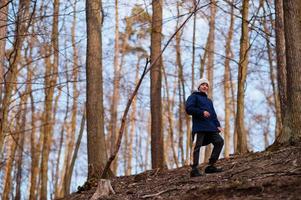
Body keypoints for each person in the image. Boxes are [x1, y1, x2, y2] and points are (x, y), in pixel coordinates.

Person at [185, 78, 224, 177]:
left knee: (219, 141)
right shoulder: (194, 97)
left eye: (207, 85)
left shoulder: (209, 101)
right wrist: (201, 112)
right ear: (199, 86)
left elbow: (213, 115)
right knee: (196, 147)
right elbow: (189, 109)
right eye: (203, 85)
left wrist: (218, 125)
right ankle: (194, 169)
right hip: (199, 128)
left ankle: (211, 166)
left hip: (210, 128)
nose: (205, 87)